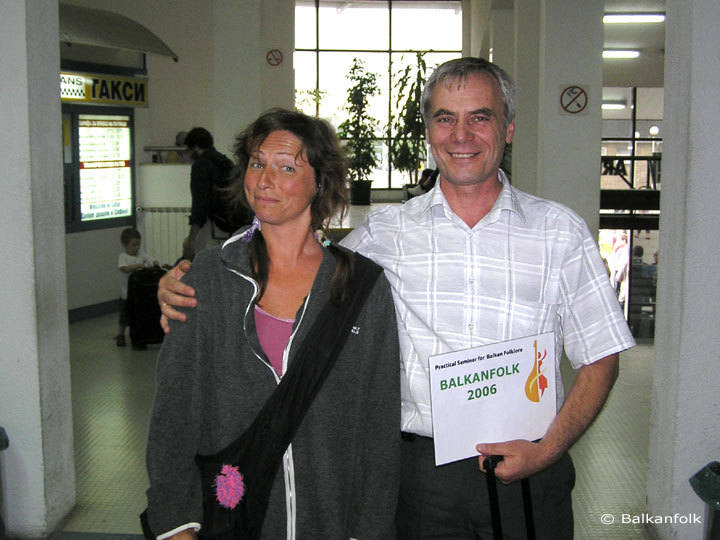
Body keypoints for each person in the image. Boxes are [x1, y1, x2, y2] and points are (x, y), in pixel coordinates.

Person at [157, 58, 635, 539]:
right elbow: (298, 258)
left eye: (480, 117)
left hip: (530, 473)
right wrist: (193, 278)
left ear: (508, 128)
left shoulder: (560, 233)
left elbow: (602, 358)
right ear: (428, 131)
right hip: (419, 480)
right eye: (445, 118)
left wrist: (548, 449)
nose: (460, 135)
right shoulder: (386, 233)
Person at [145, 109, 400, 539]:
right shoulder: (207, 278)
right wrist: (175, 525)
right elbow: (174, 413)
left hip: (330, 517)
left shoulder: (360, 288)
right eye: (257, 163)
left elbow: (378, 425)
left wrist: (370, 530)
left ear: (319, 182)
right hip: (231, 519)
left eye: (286, 167)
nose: (265, 180)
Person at [182, 127, 236, 260]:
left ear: (195, 147)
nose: (189, 155)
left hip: (212, 225)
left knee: (204, 266)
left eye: (189, 150)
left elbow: (200, 204)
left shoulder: (201, 165)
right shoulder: (225, 162)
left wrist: (191, 239)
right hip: (231, 224)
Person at [116, 227, 158, 347]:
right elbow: (124, 268)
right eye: (133, 245)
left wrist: (154, 263)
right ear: (125, 244)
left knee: (139, 314)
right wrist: (137, 266)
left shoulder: (141, 255)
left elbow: (151, 259)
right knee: (124, 316)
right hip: (126, 294)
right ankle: (121, 334)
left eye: (138, 245)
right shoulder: (123, 257)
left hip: (138, 294)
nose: (136, 248)